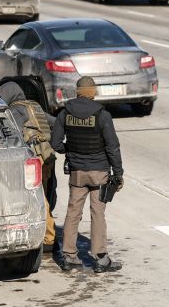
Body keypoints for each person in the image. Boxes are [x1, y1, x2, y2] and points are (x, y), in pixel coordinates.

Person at [51, 76, 124, 273]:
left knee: (73, 212)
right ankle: (100, 259)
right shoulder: (102, 115)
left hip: (77, 172)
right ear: (93, 93)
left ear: (78, 92)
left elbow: (55, 143)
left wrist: (69, 150)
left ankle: (69, 257)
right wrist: (118, 173)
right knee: (97, 213)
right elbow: (112, 147)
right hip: (99, 172)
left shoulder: (65, 113)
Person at [0, 81, 58, 252]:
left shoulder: (16, 110)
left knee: (39, 199)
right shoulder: (33, 106)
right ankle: (50, 235)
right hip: (47, 155)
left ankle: (49, 239)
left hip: (35, 159)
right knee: (45, 196)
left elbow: (12, 136)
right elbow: (55, 122)